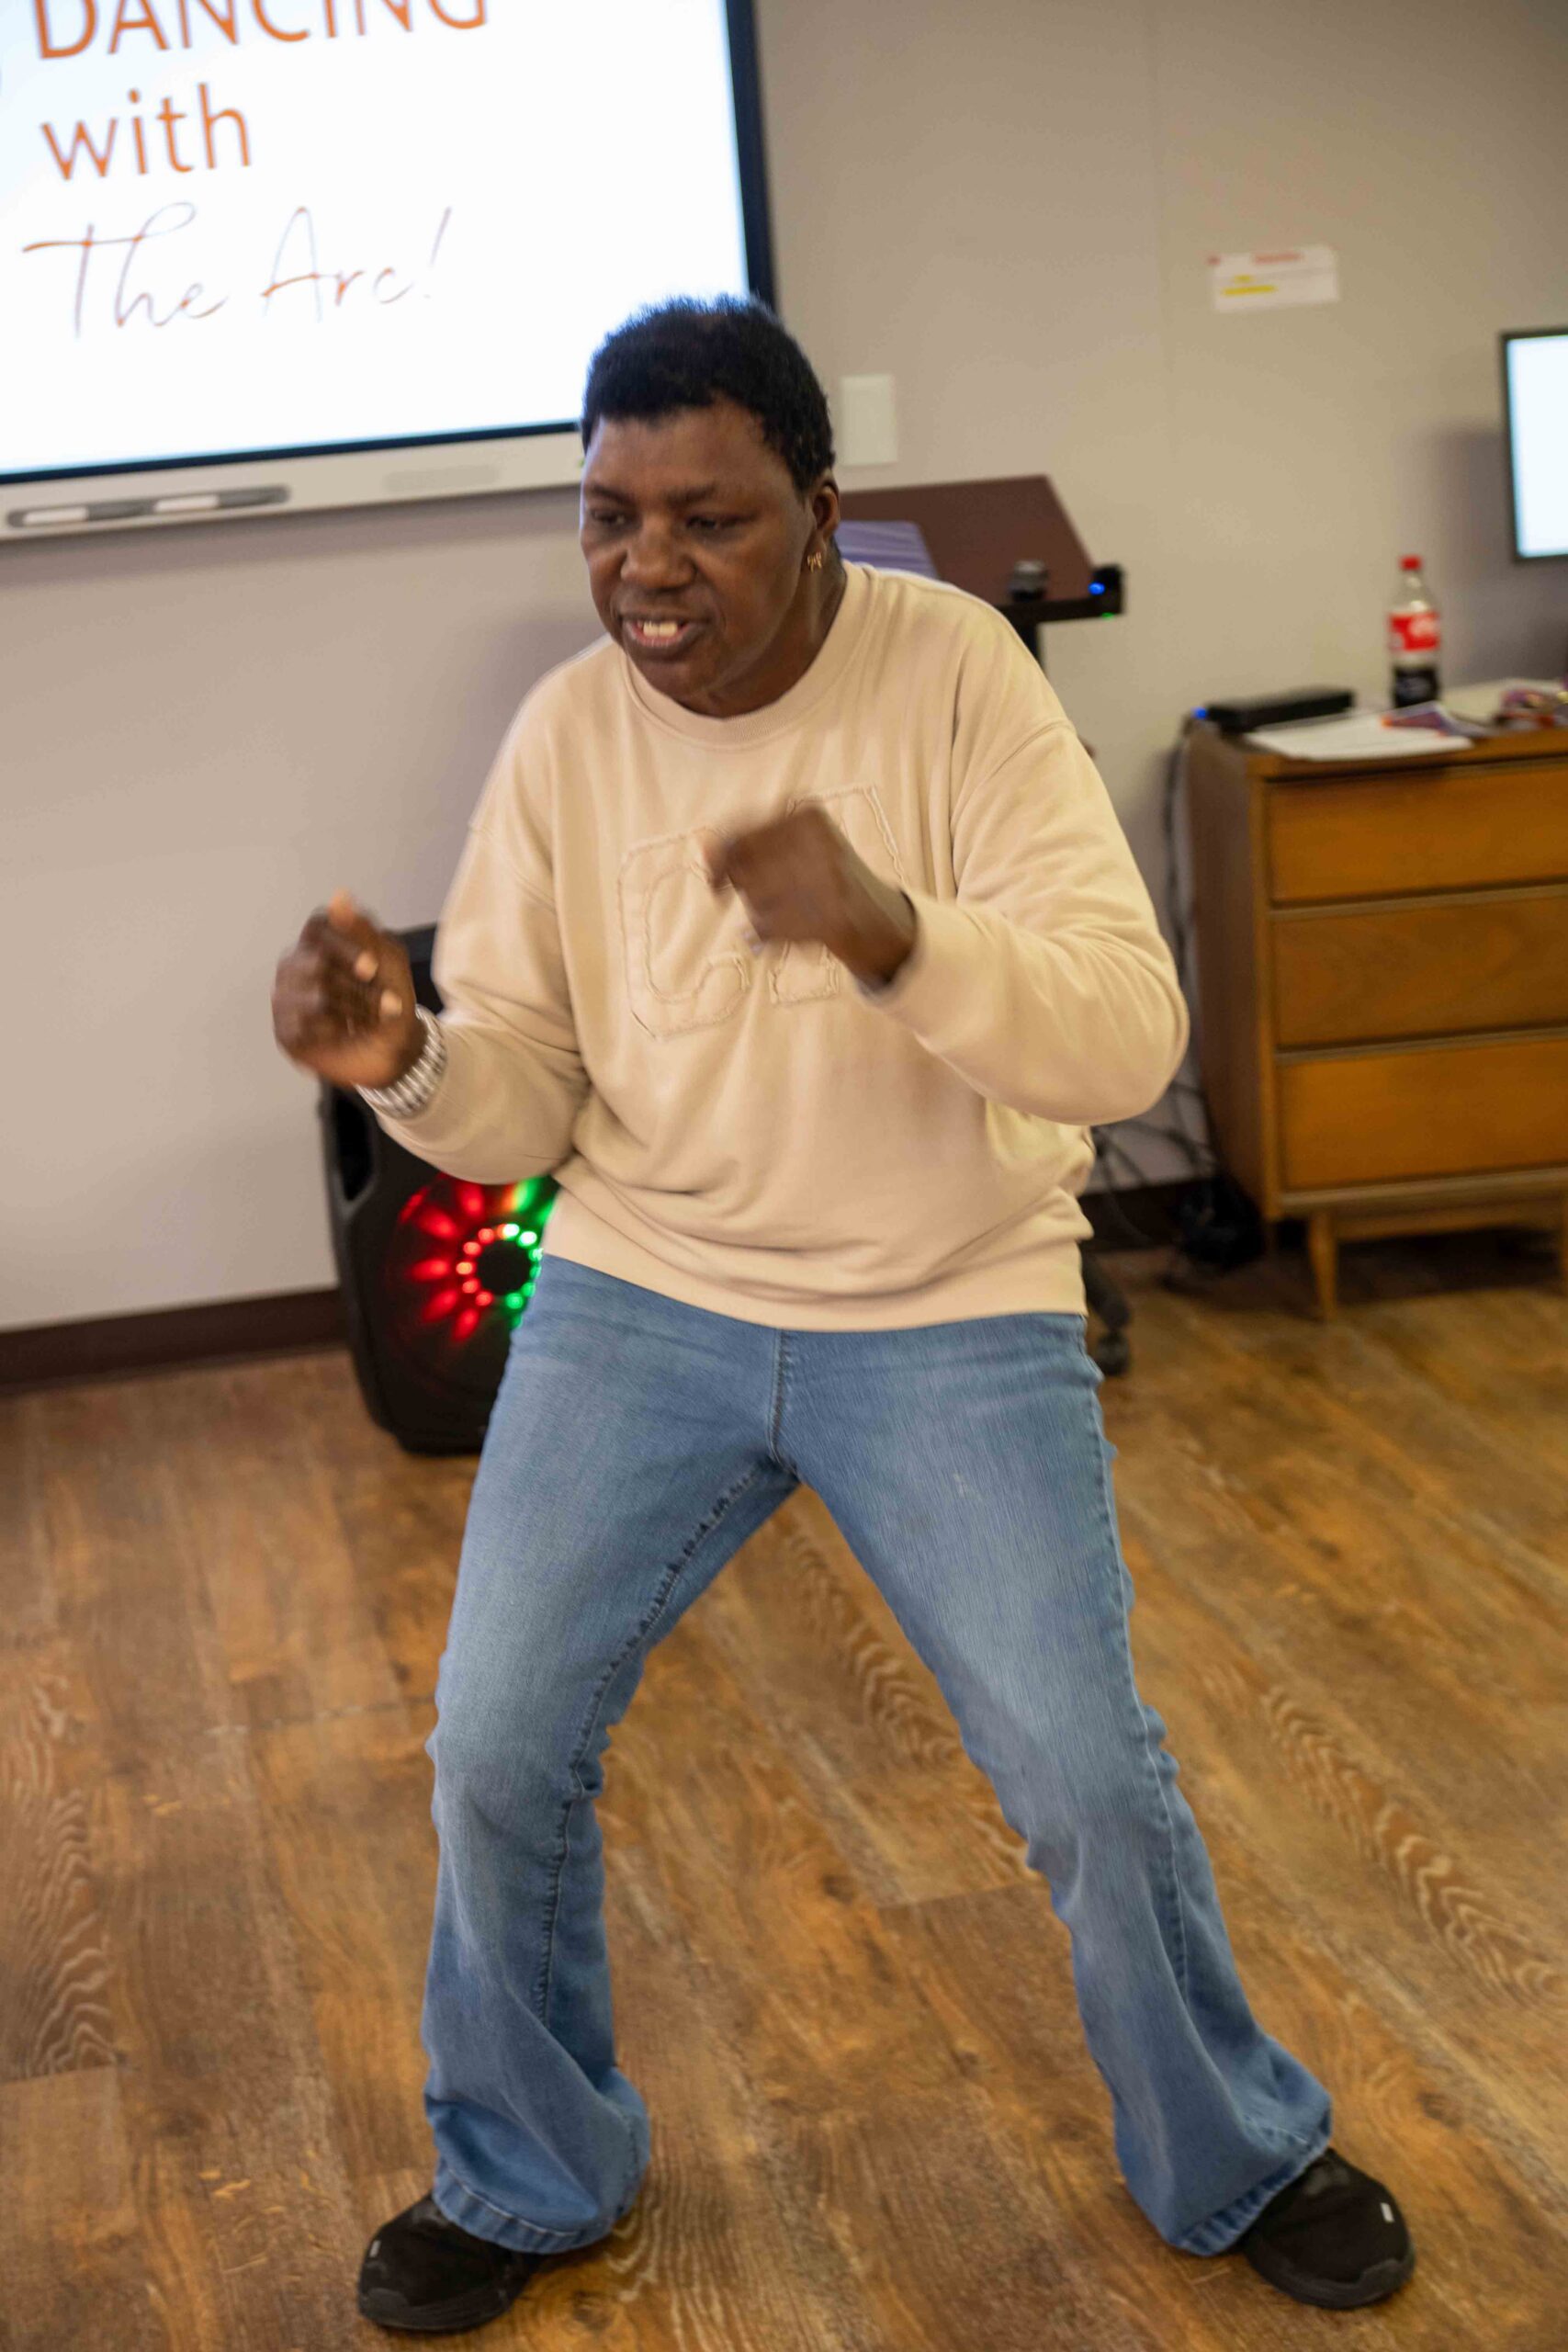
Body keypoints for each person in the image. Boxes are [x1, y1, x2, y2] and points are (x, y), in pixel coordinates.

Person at [272, 297, 1414, 2335]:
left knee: (1081, 1772)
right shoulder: (567, 734)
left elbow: (1123, 1036)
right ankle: (527, 2171)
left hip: (948, 1300)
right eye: (608, 516)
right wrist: (406, 1060)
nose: (646, 566)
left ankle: (1238, 2146)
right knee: (496, 1745)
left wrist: (892, 930)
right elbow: (523, 1095)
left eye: (704, 519)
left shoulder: (958, 677)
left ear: (817, 511)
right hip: (647, 1293)